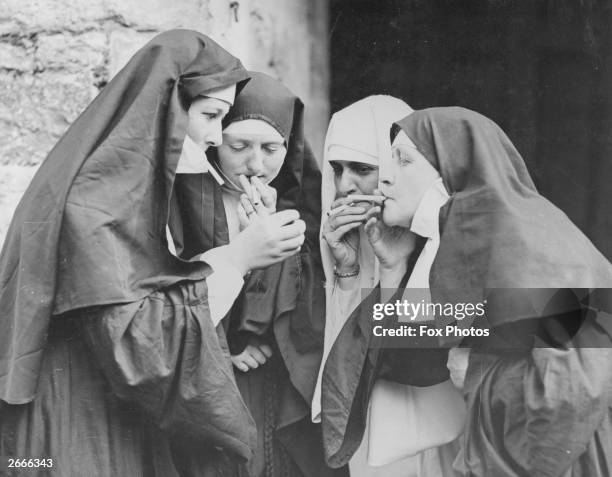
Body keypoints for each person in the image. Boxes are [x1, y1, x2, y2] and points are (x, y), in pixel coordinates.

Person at [0, 30, 307, 476]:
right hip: (74, 420)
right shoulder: (99, 200)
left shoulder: (139, 191)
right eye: (210, 116)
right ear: (166, 106)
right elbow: (137, 343)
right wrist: (238, 258)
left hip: (117, 412)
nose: (213, 136)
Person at [378, 106, 612, 476]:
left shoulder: (521, 239)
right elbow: (408, 360)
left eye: (403, 161)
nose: (384, 179)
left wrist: (479, 373)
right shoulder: (451, 244)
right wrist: (392, 269)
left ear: (454, 167)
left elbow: (576, 379)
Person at [167, 71, 344, 477]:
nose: (256, 164)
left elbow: (315, 296)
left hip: (280, 379)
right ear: (215, 140)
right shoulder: (183, 201)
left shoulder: (300, 203)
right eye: (239, 145)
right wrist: (221, 345)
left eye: (271, 148)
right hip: (211, 376)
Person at [312, 95, 461, 477]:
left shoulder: (442, 232)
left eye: (362, 168)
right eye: (337, 169)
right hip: (373, 425)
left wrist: (394, 270)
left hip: (433, 421)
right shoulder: (345, 234)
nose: (345, 185)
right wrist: (346, 269)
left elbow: (420, 344)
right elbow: (347, 353)